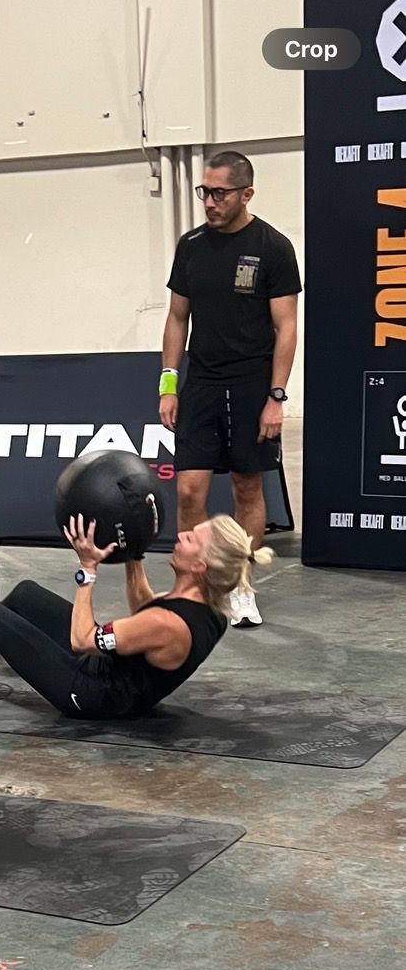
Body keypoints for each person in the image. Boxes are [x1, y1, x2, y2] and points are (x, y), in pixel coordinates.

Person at [0, 515, 272, 719]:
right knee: (25, 595)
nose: (181, 535)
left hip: (90, 694)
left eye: (191, 538)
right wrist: (133, 556)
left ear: (199, 566)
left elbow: (82, 641)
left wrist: (87, 570)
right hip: (112, 676)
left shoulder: (169, 625)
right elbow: (146, 609)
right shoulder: (206, 605)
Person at [159, 149, 301, 628]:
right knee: (189, 490)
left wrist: (276, 397)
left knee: (246, 486)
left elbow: (286, 327)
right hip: (201, 382)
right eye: (205, 192)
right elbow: (177, 318)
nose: (210, 202)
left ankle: (240, 586)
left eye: (220, 193)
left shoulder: (274, 247)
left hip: (251, 384)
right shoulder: (191, 246)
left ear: (246, 194)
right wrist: (169, 383)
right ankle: (193, 588)